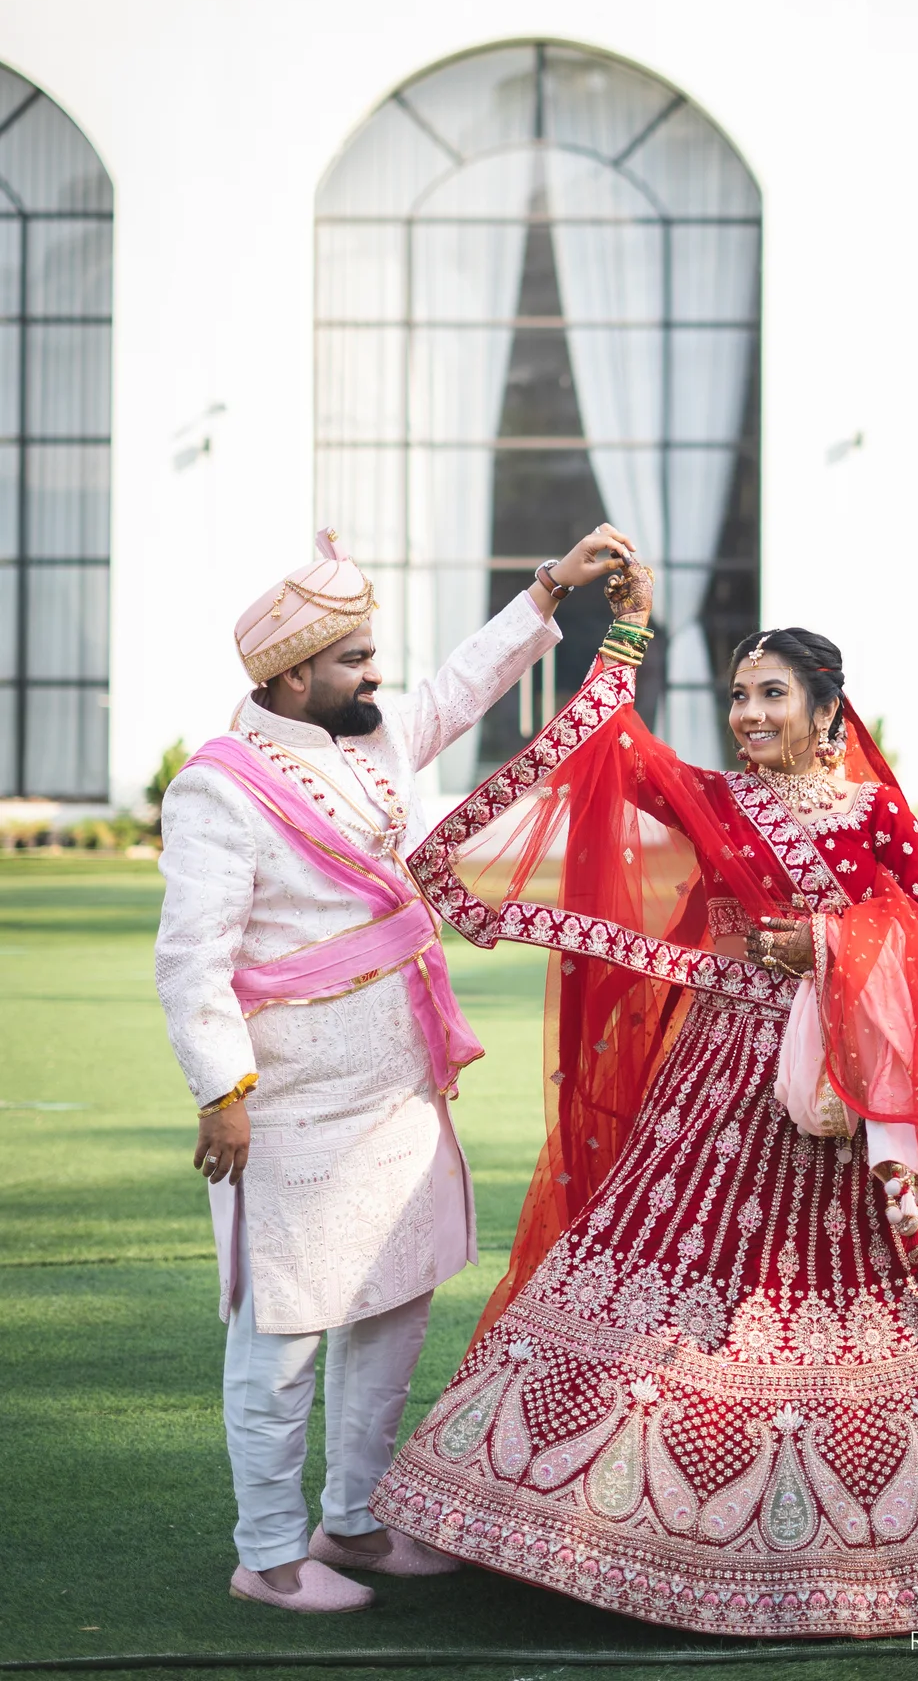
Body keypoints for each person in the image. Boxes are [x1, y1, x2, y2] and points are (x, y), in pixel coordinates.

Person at [370, 566, 918, 1639]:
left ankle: (881, 1548)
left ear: (828, 710)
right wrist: (626, 633)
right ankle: (545, 1513)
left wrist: (829, 945)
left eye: (772, 695)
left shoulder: (877, 811)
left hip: (827, 1092)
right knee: (649, 1256)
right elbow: (610, 749)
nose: (749, 715)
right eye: (739, 696)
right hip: (717, 1080)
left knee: (834, 1291)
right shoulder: (718, 800)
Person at [155, 522, 636, 1614]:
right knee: (282, 1324)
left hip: (399, 1079)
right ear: (289, 676)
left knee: (393, 1299)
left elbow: (455, 689)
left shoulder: (369, 739)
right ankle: (269, 1555)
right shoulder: (218, 790)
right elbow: (191, 959)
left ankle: (356, 1522)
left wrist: (549, 595)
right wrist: (220, 1093)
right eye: (354, 661)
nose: (377, 676)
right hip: (288, 1099)